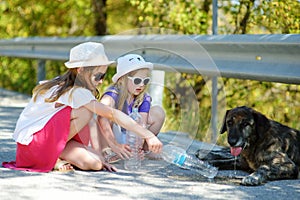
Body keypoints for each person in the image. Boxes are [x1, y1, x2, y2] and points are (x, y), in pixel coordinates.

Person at [2, 42, 162, 173]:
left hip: (46, 142)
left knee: (96, 164)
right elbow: (112, 114)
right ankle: (53, 158)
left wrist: (100, 154)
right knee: (86, 111)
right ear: (81, 70)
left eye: (104, 76)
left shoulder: (75, 87)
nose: (101, 81)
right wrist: (148, 135)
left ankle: (61, 154)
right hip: (35, 147)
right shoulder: (76, 92)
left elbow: (91, 124)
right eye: (98, 76)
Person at [98, 54, 165, 163]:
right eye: (137, 80)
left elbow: (142, 124)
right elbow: (101, 118)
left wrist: (136, 148)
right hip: (113, 136)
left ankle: (144, 148)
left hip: (132, 135)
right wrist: (113, 144)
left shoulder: (143, 97)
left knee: (158, 112)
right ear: (122, 79)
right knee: (105, 112)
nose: (142, 85)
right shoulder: (113, 93)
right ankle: (106, 150)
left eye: (146, 81)